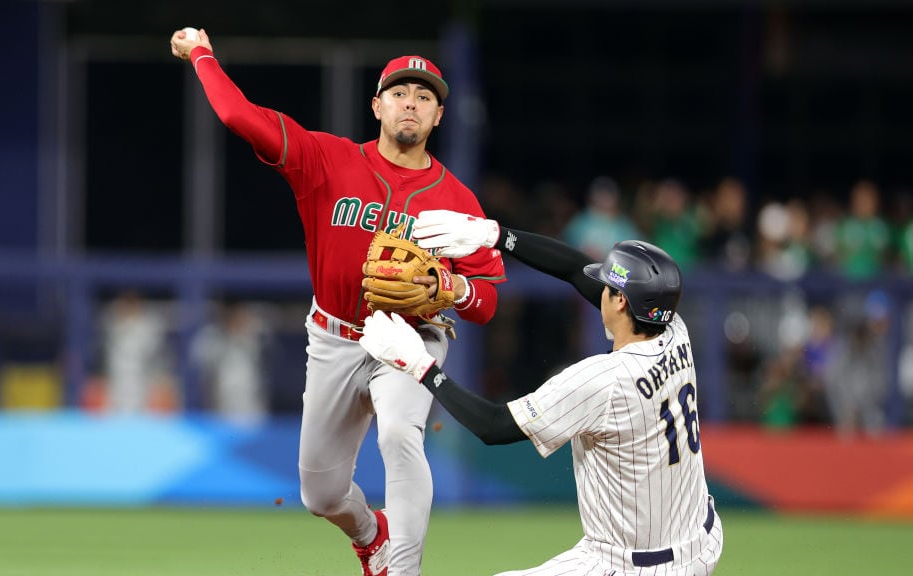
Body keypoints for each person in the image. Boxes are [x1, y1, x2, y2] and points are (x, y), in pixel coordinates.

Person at [170, 30, 506, 576]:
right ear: (377, 105)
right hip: (333, 334)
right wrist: (203, 55)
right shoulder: (327, 159)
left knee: (400, 434)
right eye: (400, 93)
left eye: (425, 97)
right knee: (320, 494)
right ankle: (372, 535)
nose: (411, 104)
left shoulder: (457, 201)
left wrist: (453, 291)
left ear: (439, 116)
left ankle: (403, 569)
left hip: (410, 337)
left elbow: (488, 302)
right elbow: (239, 117)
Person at [359, 209, 723, 576]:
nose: (600, 292)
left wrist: (420, 367)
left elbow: (494, 425)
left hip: (631, 566)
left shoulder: (603, 381)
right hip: (700, 540)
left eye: (608, 288)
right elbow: (574, 269)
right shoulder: (674, 328)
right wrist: (495, 235)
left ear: (621, 302)